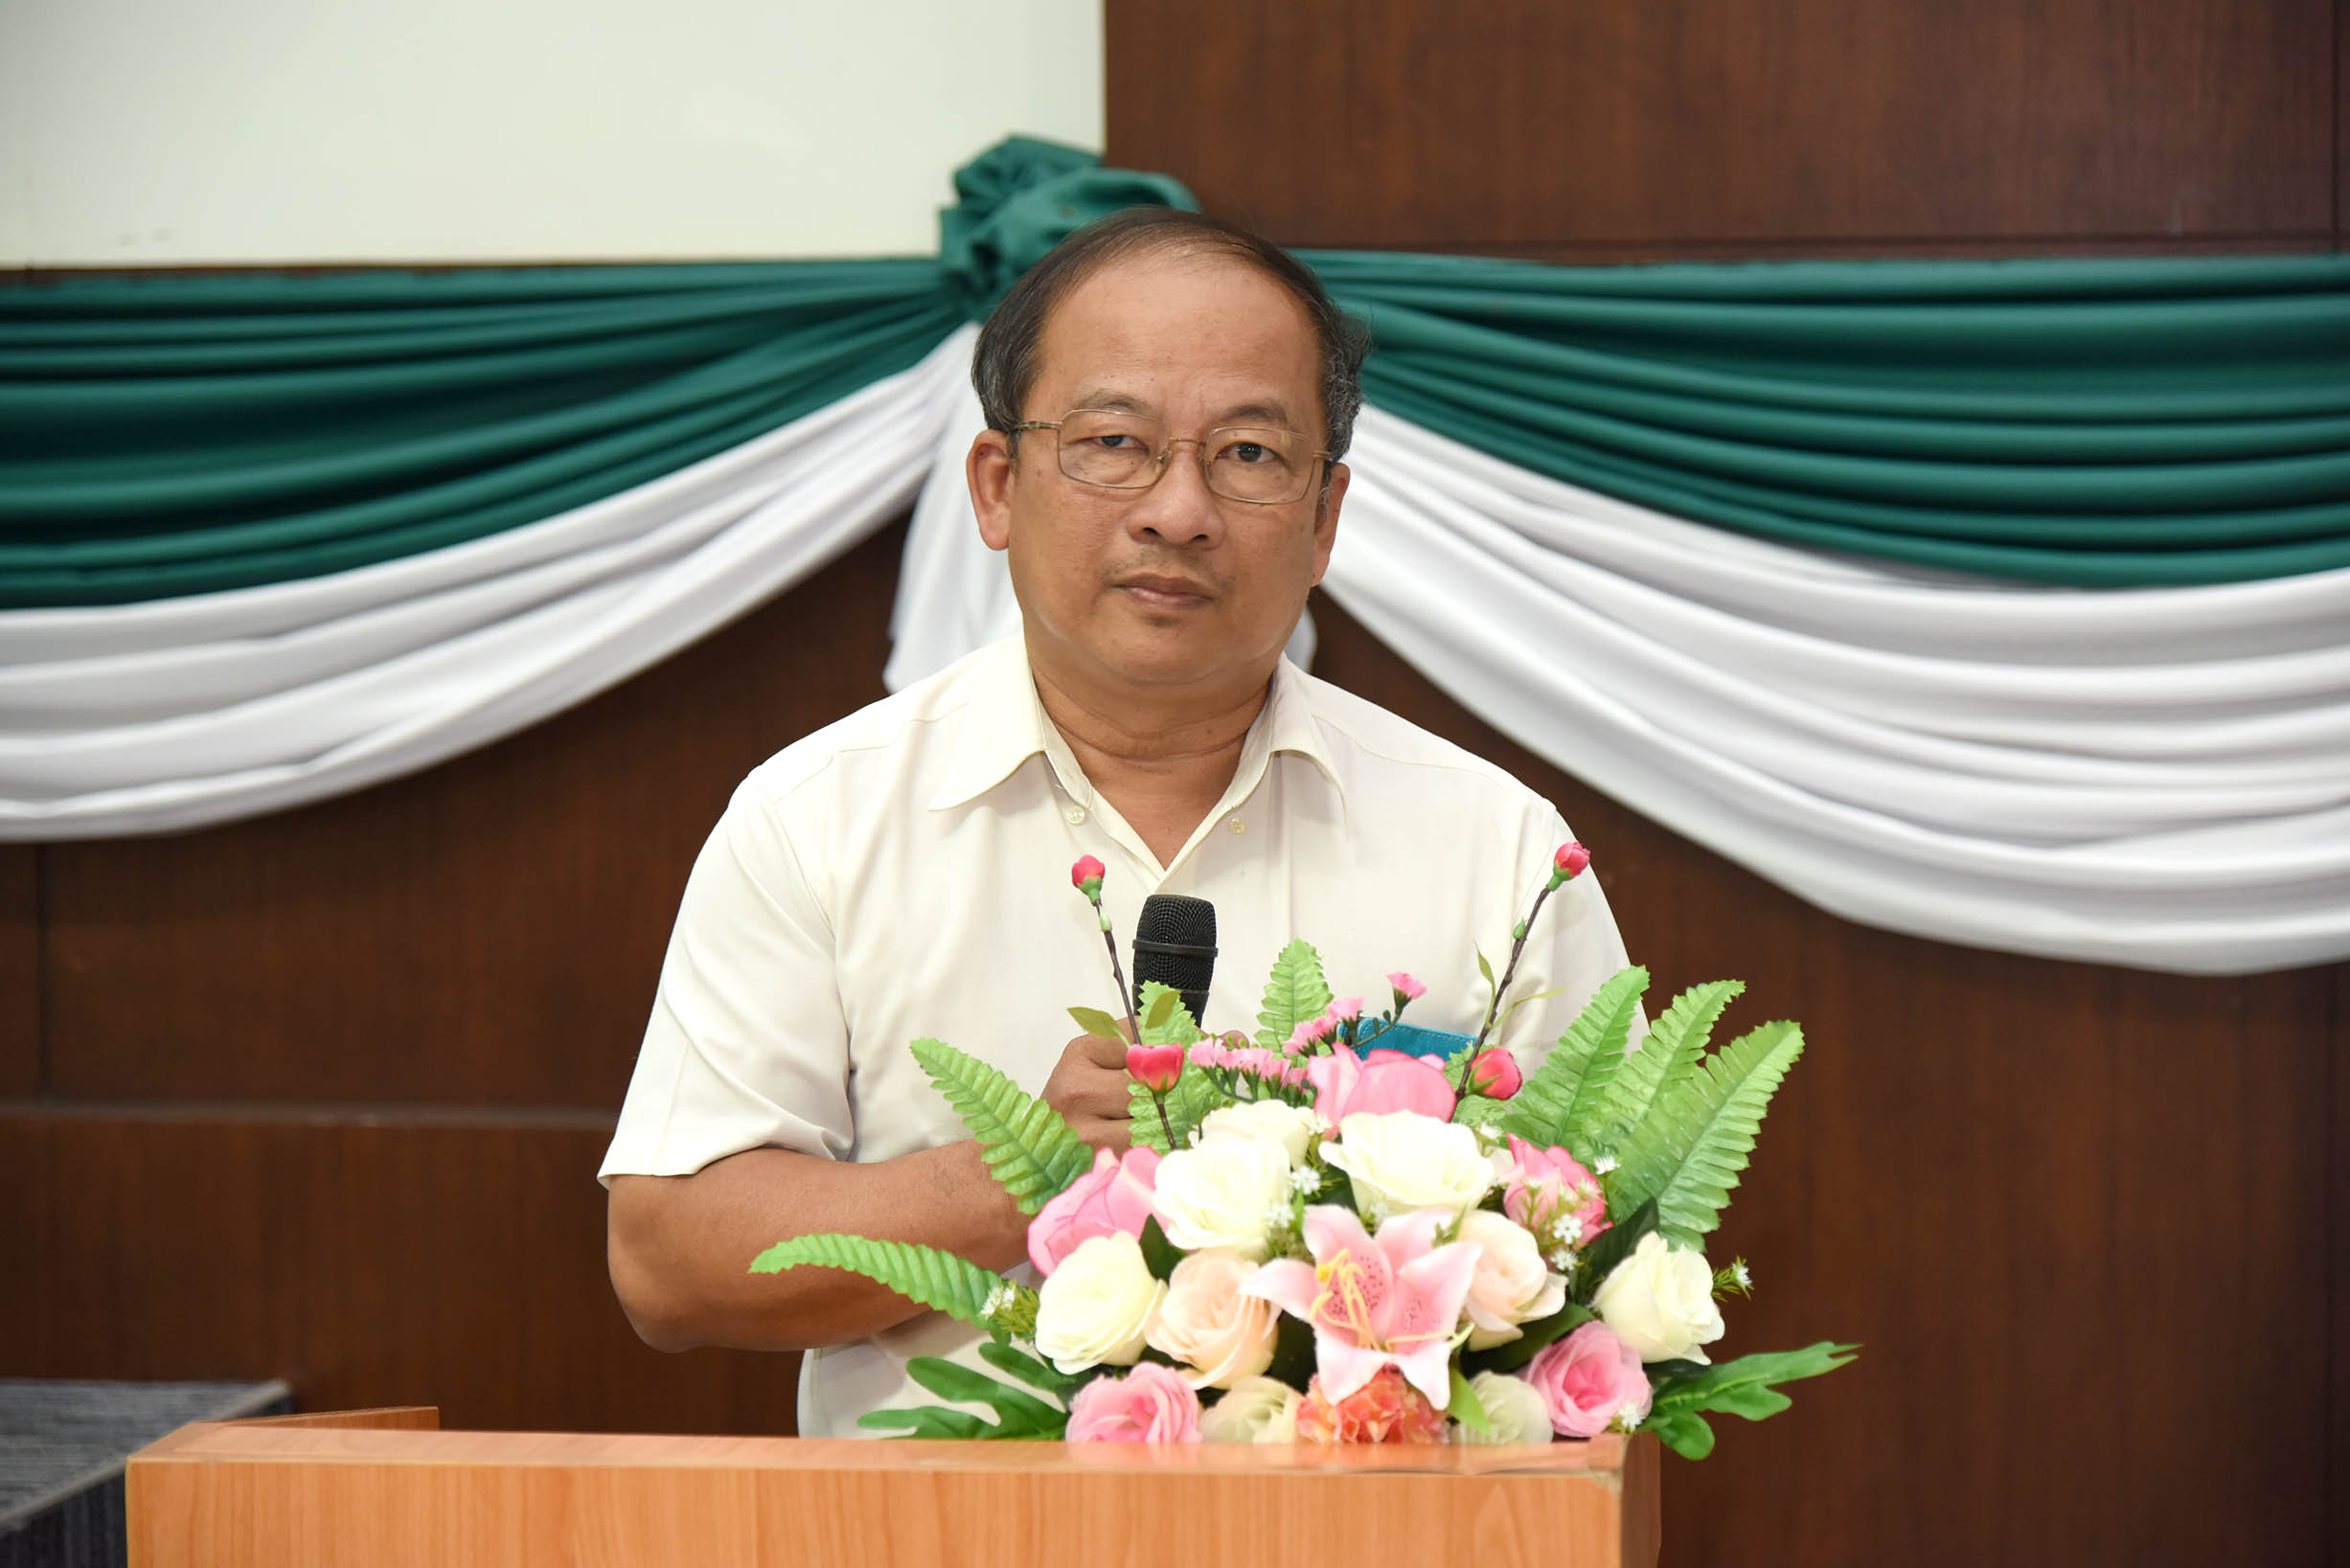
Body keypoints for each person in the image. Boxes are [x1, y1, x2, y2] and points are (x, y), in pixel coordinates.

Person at [601, 208, 1632, 1437]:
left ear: (1323, 519)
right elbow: (666, 1258)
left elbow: (1618, 1261)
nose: (1177, 510)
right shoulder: (816, 818)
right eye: (1112, 444)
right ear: (997, 486)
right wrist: (1009, 1180)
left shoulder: (1499, 850)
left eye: (1247, 453)